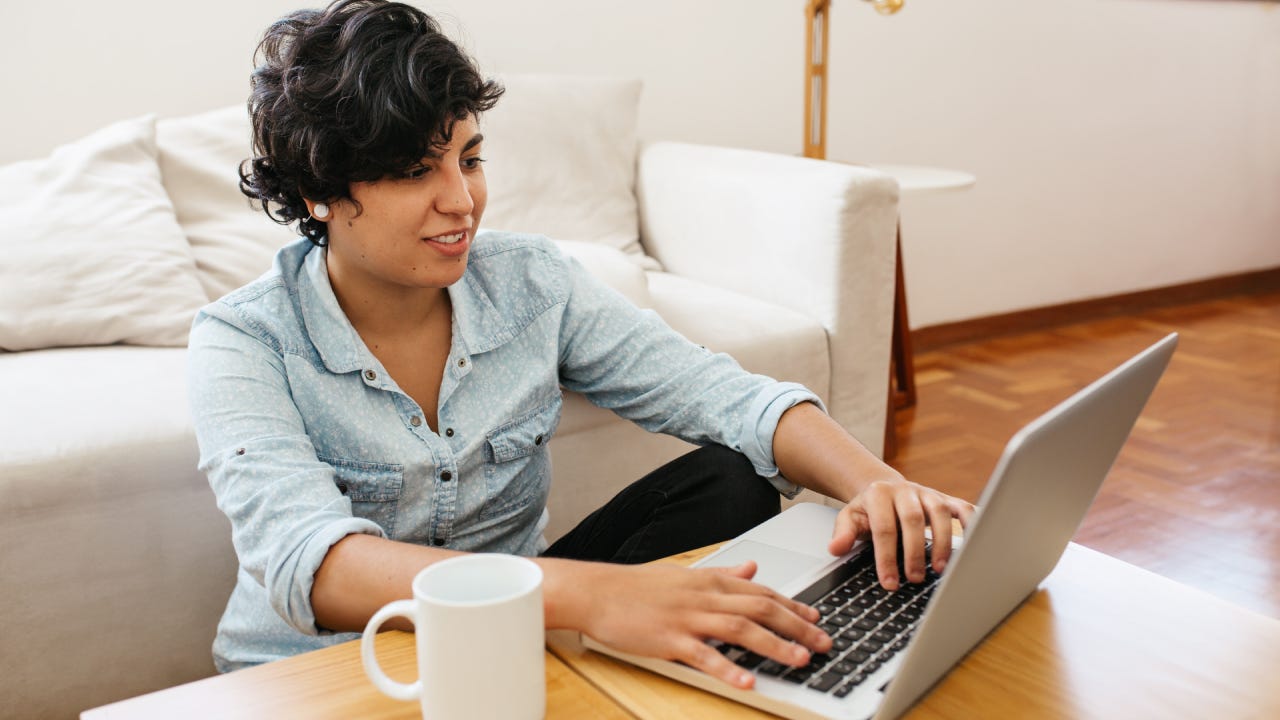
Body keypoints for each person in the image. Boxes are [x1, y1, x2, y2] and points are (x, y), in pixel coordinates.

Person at [187, 0, 974, 690]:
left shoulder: (532, 284)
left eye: (468, 158)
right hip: (323, 671)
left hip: (512, 637)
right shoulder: (243, 340)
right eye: (413, 172)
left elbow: (720, 393)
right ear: (321, 191)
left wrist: (875, 482)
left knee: (730, 482)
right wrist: (592, 595)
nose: (461, 202)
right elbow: (314, 564)